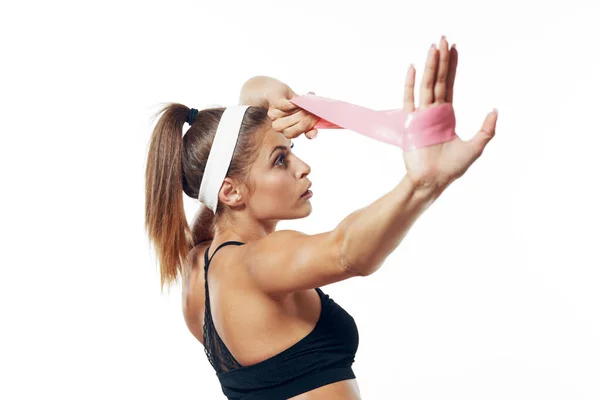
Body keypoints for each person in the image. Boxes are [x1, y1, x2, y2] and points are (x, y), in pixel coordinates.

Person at [144, 36, 498, 400]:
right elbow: (345, 251)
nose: (303, 167)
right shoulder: (256, 262)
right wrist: (421, 184)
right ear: (230, 192)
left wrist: (267, 100)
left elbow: (236, 139)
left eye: (291, 151)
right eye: (280, 159)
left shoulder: (199, 263)